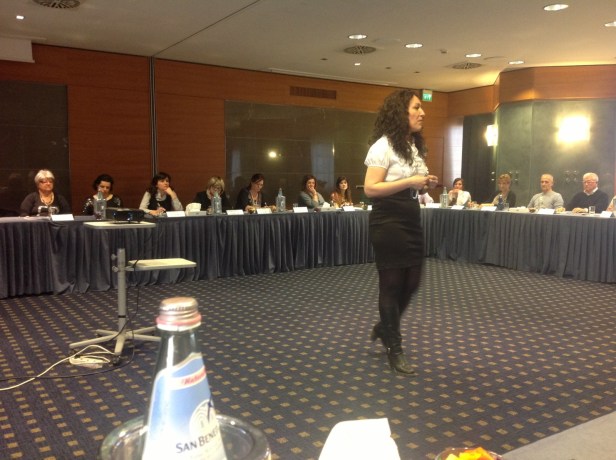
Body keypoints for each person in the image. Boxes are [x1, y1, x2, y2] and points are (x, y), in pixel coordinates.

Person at [363, 89, 439, 376]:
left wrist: (424, 183)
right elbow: (371, 188)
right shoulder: (382, 146)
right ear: (400, 113)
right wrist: (410, 181)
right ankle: (394, 347)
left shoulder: (412, 146)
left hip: (410, 216)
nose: (422, 113)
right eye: (416, 108)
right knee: (392, 285)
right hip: (388, 219)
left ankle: (386, 327)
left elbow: (411, 181)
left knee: (413, 281)